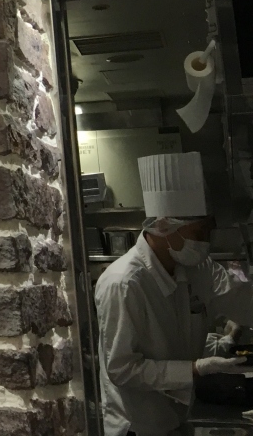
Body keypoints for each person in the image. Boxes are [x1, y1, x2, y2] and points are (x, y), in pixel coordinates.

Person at [96, 152, 253, 436]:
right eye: (199, 233)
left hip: (177, 419)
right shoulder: (124, 283)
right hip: (139, 427)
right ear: (164, 226)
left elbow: (241, 299)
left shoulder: (196, 266)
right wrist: (194, 369)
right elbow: (122, 369)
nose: (205, 243)